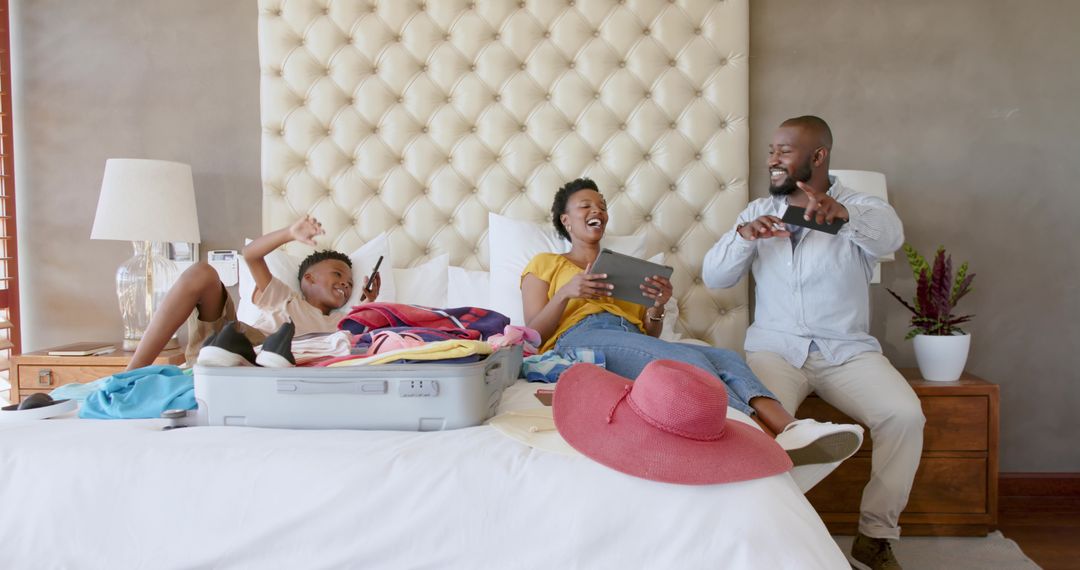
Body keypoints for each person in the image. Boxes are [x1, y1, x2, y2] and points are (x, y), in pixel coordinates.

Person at [521, 177, 864, 492]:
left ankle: (793, 429)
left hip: (628, 337)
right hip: (579, 338)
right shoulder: (546, 263)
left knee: (725, 357)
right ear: (566, 220)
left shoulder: (624, 270)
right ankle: (764, 441)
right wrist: (568, 292)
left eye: (602, 206)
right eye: (585, 206)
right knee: (688, 358)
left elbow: (649, 340)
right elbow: (532, 334)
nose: (597, 210)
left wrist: (657, 306)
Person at [703, 115, 924, 570]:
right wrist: (745, 237)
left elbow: (891, 237)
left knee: (905, 416)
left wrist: (845, 217)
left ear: (818, 156)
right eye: (771, 151)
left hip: (846, 352)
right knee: (756, 432)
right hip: (776, 352)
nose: (773, 160)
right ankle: (776, 537)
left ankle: (874, 536)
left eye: (784, 151)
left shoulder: (863, 206)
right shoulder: (756, 210)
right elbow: (715, 277)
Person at [125, 215, 381, 370]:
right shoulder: (285, 297)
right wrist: (289, 233)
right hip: (240, 344)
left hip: (289, 363)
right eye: (338, 274)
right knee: (201, 273)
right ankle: (130, 375)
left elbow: (371, 342)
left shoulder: (343, 323)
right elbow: (251, 255)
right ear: (308, 278)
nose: (346, 284)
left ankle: (261, 364)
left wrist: (370, 306)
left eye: (349, 282)